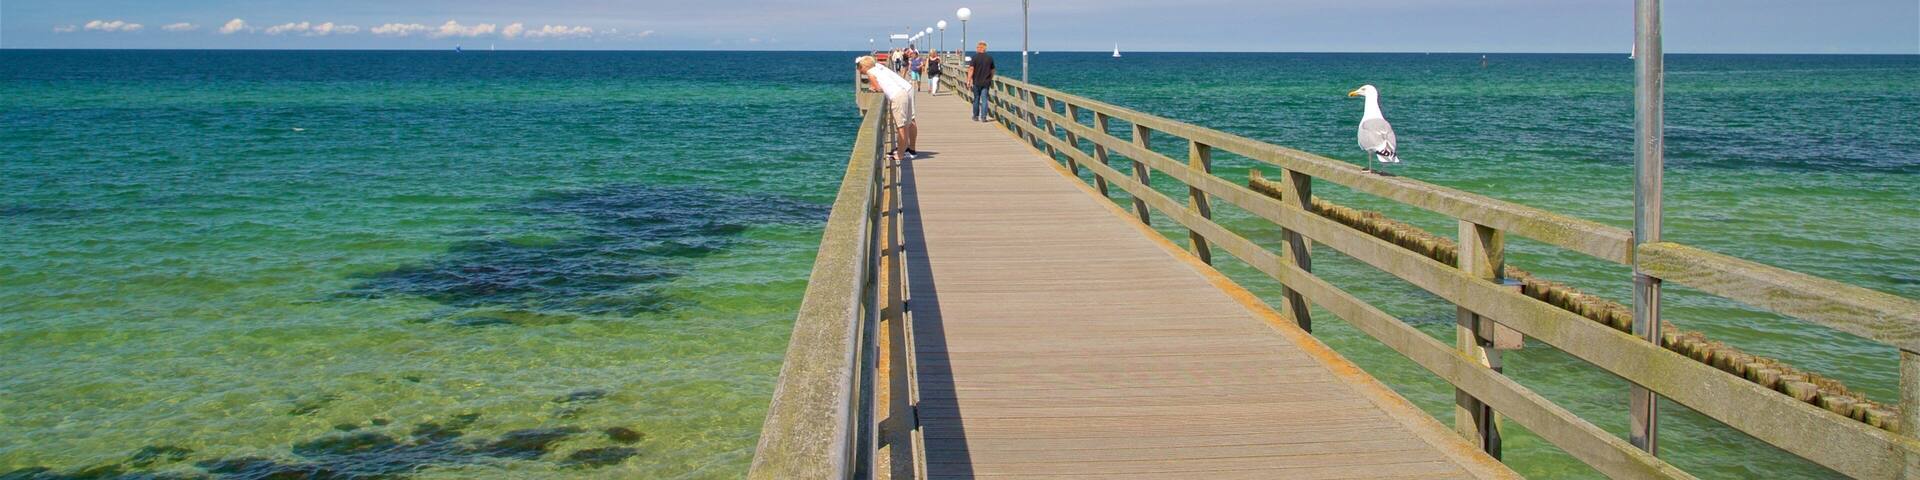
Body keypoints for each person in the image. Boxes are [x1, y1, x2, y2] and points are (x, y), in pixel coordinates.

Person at [857, 55, 918, 160]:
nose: (859, 70)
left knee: (901, 127)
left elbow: (878, 88)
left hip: (897, 96)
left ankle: (900, 154)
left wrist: (874, 89)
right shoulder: (878, 69)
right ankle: (902, 151)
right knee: (905, 125)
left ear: (864, 66)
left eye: (859, 67)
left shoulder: (870, 73)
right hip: (903, 93)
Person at [965, 42, 996, 122]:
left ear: (979, 48)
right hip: (986, 82)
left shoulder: (975, 57)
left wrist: (968, 80)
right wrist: (990, 78)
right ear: (985, 48)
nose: (976, 49)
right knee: (985, 99)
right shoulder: (990, 58)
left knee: (976, 99)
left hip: (976, 82)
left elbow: (971, 69)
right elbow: (993, 70)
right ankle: (984, 117)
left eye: (977, 47)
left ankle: (975, 116)